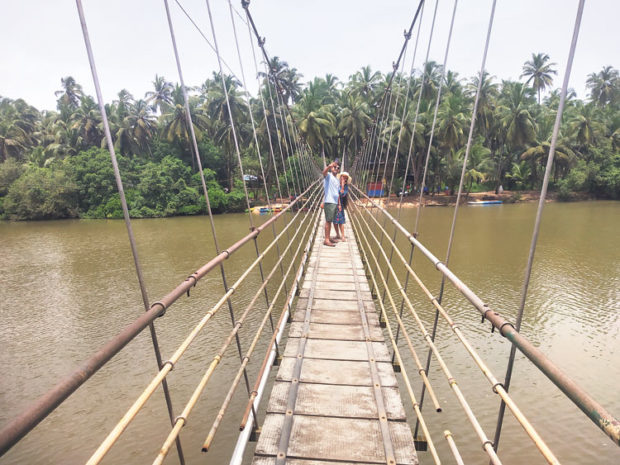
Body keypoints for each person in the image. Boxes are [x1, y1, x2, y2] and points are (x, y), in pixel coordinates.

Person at [322, 160, 340, 246]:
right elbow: (324, 172)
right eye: (334, 167)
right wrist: (329, 166)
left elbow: (337, 193)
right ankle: (326, 240)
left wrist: (339, 204)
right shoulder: (328, 176)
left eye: (337, 167)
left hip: (335, 203)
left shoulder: (337, 180)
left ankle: (328, 238)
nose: (336, 168)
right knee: (328, 221)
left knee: (331, 220)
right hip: (329, 202)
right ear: (331, 168)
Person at [333, 171, 350, 241]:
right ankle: (337, 234)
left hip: (340, 205)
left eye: (345, 178)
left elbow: (342, 194)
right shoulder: (335, 183)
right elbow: (334, 193)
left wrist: (342, 186)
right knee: (334, 221)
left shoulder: (346, 187)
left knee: (341, 221)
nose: (344, 179)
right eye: (343, 177)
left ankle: (343, 236)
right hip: (334, 204)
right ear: (340, 177)